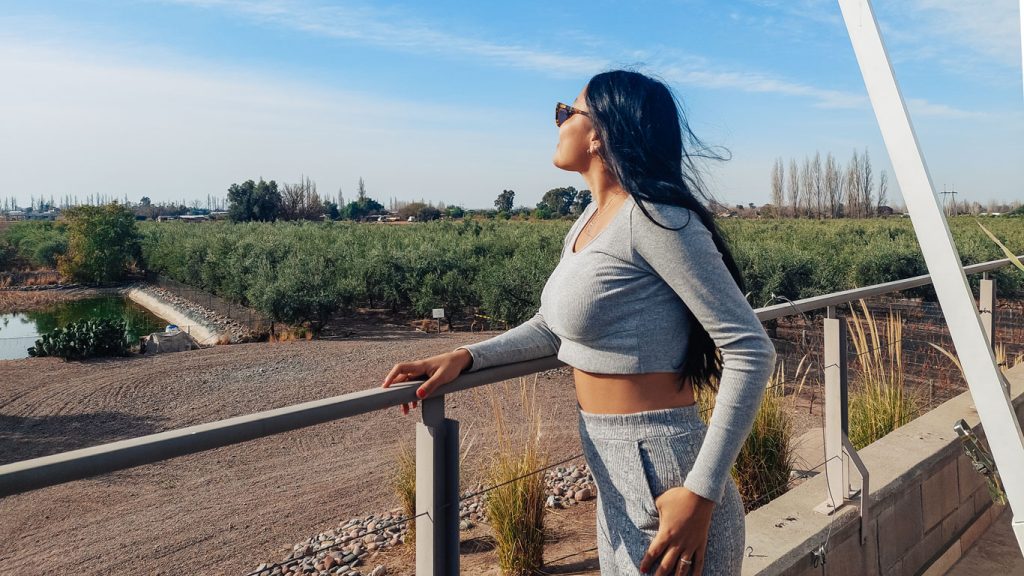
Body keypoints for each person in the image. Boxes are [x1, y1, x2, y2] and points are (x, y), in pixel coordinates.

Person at [381, 69, 776, 576]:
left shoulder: (656, 219)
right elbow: (553, 326)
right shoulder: (588, 222)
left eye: (566, 112)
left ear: (599, 133)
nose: (558, 122)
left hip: (667, 471)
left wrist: (702, 493)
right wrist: (468, 356)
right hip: (610, 468)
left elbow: (750, 348)